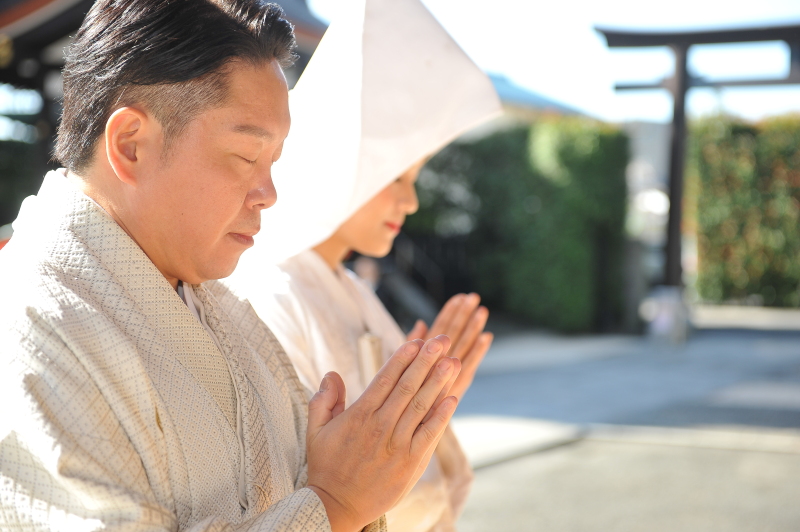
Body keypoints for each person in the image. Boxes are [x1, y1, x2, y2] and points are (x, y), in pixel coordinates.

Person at [0, 2, 463, 531]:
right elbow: (333, 499)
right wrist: (334, 505)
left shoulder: (221, 307)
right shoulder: (29, 323)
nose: (268, 194)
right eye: (246, 157)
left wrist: (375, 460)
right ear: (131, 144)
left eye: (273, 165)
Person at [226, 0, 502, 530]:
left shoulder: (349, 285)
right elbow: (288, 486)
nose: (412, 201)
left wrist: (425, 408)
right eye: (397, 177)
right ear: (344, 168)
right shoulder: (269, 288)